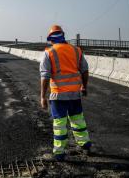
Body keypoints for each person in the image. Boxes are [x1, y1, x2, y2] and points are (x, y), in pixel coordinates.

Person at [40, 25, 91, 161]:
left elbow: (45, 77)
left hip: (58, 96)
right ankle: (84, 143)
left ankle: (60, 152)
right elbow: (85, 70)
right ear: (63, 36)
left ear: (50, 39)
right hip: (75, 94)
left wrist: (42, 97)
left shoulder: (48, 53)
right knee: (78, 120)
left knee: (59, 125)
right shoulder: (76, 50)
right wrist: (84, 87)